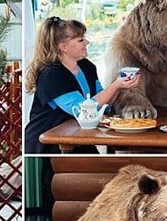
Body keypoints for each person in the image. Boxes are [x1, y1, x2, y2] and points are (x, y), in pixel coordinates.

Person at [24, 16, 140, 154]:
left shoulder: (87, 66)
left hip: (77, 138)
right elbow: (82, 111)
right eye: (80, 40)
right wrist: (115, 86)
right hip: (47, 147)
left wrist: (120, 86)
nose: (87, 42)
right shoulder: (52, 76)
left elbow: (103, 104)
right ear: (63, 47)